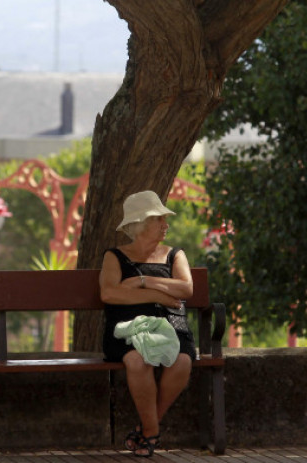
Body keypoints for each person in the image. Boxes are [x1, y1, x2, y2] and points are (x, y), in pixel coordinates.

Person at [99, 190, 196, 457]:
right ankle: (151, 433)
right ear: (140, 224)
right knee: (137, 361)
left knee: (183, 361)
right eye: (159, 220)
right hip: (127, 326)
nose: (166, 225)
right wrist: (157, 294)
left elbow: (186, 289)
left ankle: (145, 429)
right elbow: (109, 294)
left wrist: (144, 281)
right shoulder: (114, 257)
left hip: (172, 323)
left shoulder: (175, 255)